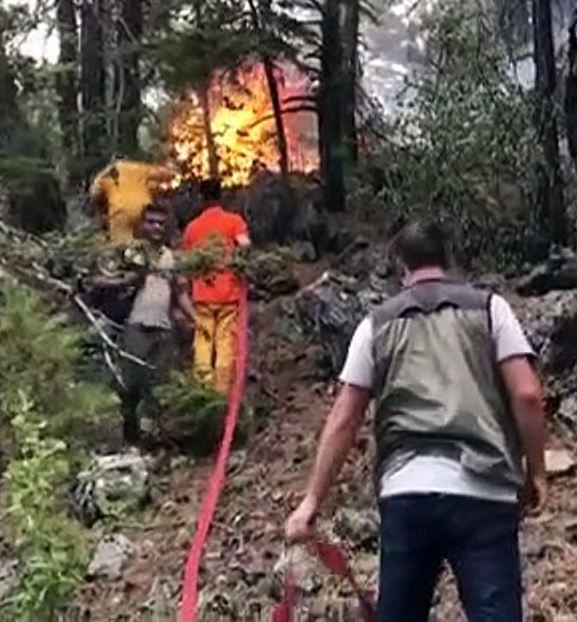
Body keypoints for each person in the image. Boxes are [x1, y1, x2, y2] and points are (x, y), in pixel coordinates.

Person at [283, 220, 548, 622]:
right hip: (485, 491)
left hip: (407, 491)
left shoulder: (376, 324)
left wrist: (311, 501)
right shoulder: (491, 309)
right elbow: (527, 394)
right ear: (449, 259)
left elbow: (344, 417)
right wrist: (536, 472)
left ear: (400, 265)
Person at [92, 202, 195, 446]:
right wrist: (125, 279)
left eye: (161, 223)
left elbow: (180, 292)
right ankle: (130, 435)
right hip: (136, 325)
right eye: (151, 222)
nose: (156, 227)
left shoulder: (171, 257)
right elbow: (108, 279)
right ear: (142, 225)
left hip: (163, 328)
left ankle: (155, 439)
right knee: (132, 383)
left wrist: (196, 318)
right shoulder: (132, 253)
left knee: (159, 385)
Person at [180, 178, 250, 396]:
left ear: (202, 198)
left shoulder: (192, 228)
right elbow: (245, 245)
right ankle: (221, 394)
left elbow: (187, 262)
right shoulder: (233, 221)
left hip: (202, 295)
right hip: (229, 294)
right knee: (225, 345)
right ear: (221, 196)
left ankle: (202, 393)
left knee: (202, 342)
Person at [89, 157, 177, 245]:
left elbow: (94, 193)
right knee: (145, 243)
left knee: (121, 246)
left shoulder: (109, 173)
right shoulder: (144, 170)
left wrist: (103, 209)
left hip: (120, 214)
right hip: (142, 211)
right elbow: (169, 174)